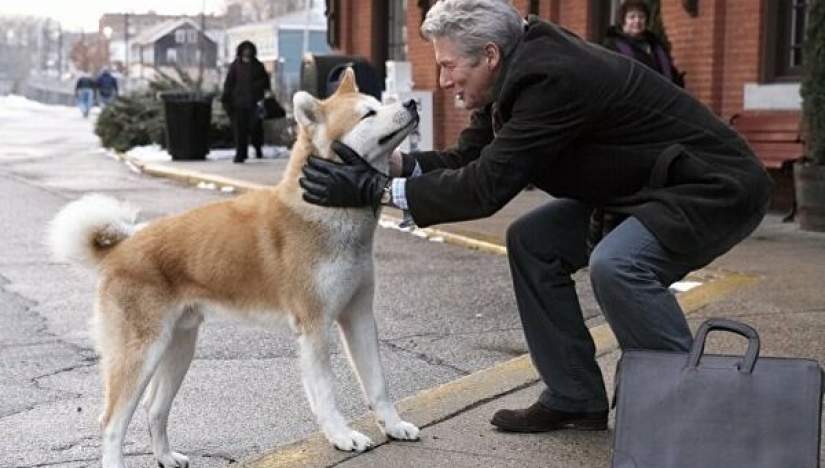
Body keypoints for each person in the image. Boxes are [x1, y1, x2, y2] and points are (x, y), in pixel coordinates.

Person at [300, 0, 771, 433]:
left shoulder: (550, 79)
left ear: (488, 55)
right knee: (533, 240)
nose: (443, 81)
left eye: (448, 66)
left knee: (619, 265)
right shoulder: (510, 72)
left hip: (711, 187)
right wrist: (386, 164)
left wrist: (374, 190)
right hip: (642, 189)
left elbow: (485, 188)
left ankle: (694, 410)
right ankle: (575, 395)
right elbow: (470, 160)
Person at [603, 0, 684, 87]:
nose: (637, 21)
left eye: (641, 17)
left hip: (660, 96)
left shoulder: (656, 45)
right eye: (632, 17)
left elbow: (670, 72)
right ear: (623, 21)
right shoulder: (612, 46)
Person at [221, 40, 271, 163]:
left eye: (249, 49)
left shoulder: (258, 66)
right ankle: (240, 154)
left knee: (255, 128)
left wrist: (260, 91)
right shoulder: (235, 66)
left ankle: (257, 147)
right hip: (238, 104)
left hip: (254, 103)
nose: (247, 52)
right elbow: (229, 83)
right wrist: (226, 99)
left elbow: (265, 83)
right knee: (239, 131)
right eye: (244, 49)